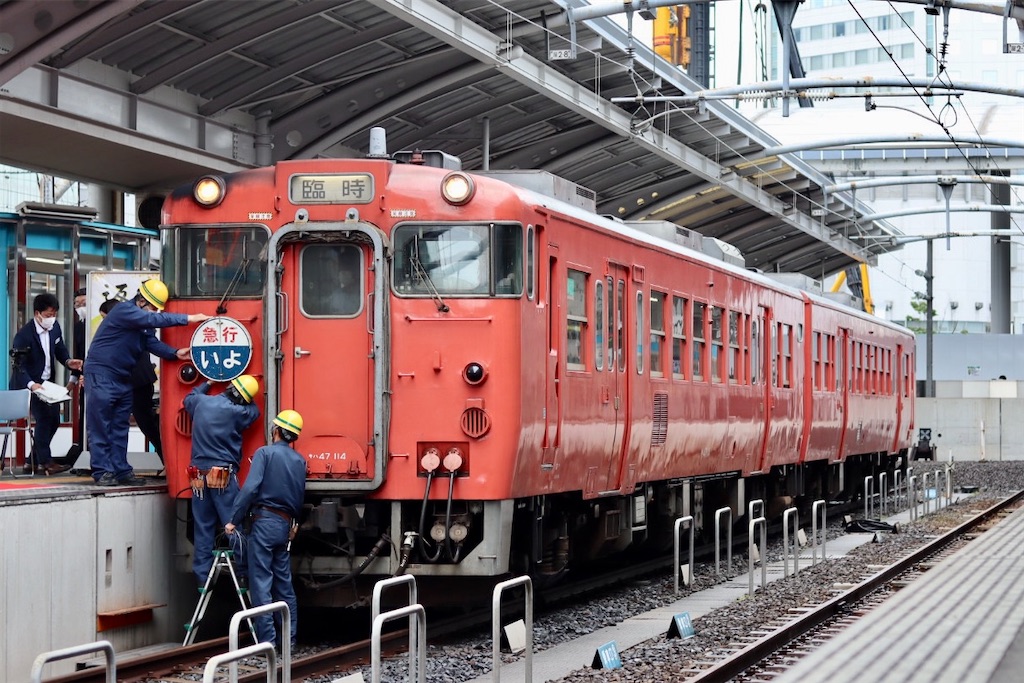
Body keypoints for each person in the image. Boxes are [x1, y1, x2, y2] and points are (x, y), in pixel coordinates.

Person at [85, 279, 209, 486]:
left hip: (123, 377)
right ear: (141, 301)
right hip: (102, 374)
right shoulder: (124, 311)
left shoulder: (140, 321)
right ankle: (102, 471)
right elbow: (154, 321)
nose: (153, 311)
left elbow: (150, 342)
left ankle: (121, 470)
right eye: (152, 307)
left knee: (119, 426)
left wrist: (175, 353)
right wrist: (191, 318)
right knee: (100, 424)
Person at [225, 410, 306, 651]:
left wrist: (233, 519)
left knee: (260, 582)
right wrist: (294, 526)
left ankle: (268, 643)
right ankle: (289, 641)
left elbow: (250, 489)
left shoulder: (264, 453)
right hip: (284, 526)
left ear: (277, 431)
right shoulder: (299, 461)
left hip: (263, 523)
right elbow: (299, 497)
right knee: (284, 584)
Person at [184, 375, 261, 587]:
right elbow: (255, 413)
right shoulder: (238, 412)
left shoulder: (201, 402)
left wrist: (208, 383)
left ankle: (202, 579)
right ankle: (244, 573)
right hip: (223, 475)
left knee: (203, 526)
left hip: (198, 474)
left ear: (229, 387)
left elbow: (189, 397)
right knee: (233, 524)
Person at [10, 292, 83, 475]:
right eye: (49, 315)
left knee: (55, 420)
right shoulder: (24, 335)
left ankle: (31, 461)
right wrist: (31, 385)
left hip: (47, 384)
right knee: (44, 419)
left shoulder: (55, 328)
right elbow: (19, 366)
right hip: (28, 385)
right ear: (38, 313)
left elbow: (60, 350)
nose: (52, 319)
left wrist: (68, 362)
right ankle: (46, 462)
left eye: (54, 314)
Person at [98, 299, 164, 462]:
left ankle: (166, 458)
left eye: (104, 317)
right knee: (141, 423)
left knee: (146, 423)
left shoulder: (125, 329)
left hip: (137, 381)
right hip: (133, 381)